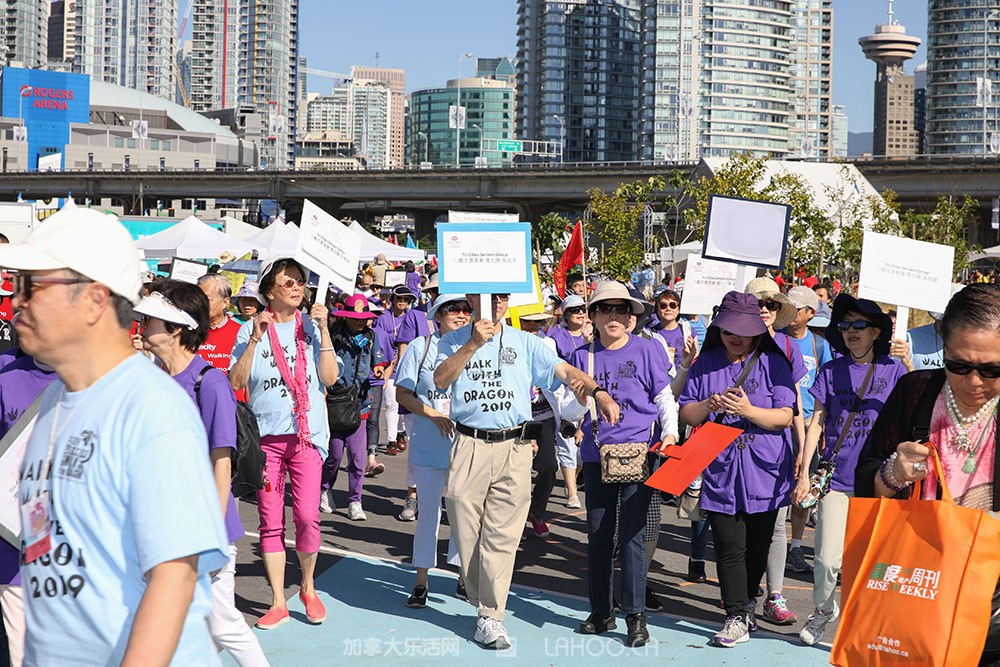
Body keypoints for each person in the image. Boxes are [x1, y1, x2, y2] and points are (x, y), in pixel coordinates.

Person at [3, 204, 229, 664]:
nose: (17, 301)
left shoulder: (150, 408)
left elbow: (174, 576)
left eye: (33, 286)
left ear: (94, 300)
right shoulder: (56, 401)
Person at [434, 291, 620, 650]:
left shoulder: (526, 342)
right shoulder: (452, 340)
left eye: (502, 296)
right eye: (488, 295)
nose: (496, 302)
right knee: (463, 522)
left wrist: (598, 392)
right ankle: (477, 590)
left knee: (502, 537)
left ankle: (490, 615)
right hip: (469, 443)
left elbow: (564, 371)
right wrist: (473, 344)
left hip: (515, 447)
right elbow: (440, 380)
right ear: (471, 296)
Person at [854, 283, 1000, 665]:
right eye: (959, 365)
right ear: (942, 348)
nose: (974, 382)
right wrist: (892, 472)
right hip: (914, 585)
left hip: (992, 607)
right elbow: (865, 479)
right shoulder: (916, 391)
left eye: (992, 370)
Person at [135, 282, 270, 666]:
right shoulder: (154, 378)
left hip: (201, 530)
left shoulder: (208, 382)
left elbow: (221, 462)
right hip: (162, 527)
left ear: (177, 328)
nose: (141, 325)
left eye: (151, 319)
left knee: (222, 622)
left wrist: (208, 534)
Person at [678, 291, 797, 648]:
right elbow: (687, 413)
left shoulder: (774, 363)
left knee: (757, 547)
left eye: (744, 330)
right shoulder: (705, 363)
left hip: (766, 469)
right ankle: (734, 615)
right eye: (729, 329)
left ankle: (747, 605)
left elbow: (785, 416)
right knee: (728, 545)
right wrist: (707, 405)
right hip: (720, 467)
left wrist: (748, 411)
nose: (736, 336)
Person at [229, 257, 338, 630]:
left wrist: (324, 330)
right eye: (287, 282)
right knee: (270, 521)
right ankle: (278, 600)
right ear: (269, 291)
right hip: (266, 441)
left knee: (307, 516)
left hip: (307, 437)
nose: (296, 287)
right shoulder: (249, 329)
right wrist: (255, 337)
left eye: (299, 282)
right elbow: (236, 382)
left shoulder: (311, 325)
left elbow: (330, 378)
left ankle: (307, 586)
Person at [569, 281, 679, 648]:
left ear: (631, 317)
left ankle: (635, 615)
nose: (613, 316)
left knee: (633, 537)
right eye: (605, 309)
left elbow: (664, 396)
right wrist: (577, 403)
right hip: (596, 456)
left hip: (640, 454)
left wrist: (671, 433)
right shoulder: (581, 357)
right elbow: (567, 410)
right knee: (599, 536)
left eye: (621, 309)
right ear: (594, 316)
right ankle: (601, 611)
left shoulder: (647, 350)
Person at [793, 294, 905, 646]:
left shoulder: (895, 370)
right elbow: (817, 422)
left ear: (876, 332)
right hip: (837, 478)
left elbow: (915, 408)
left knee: (871, 563)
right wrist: (804, 473)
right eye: (844, 325)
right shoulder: (830, 370)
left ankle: (865, 622)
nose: (851, 331)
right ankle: (823, 609)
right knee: (827, 560)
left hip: (880, 482)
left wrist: (910, 362)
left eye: (859, 325)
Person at [394, 294, 471, 607]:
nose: (461, 314)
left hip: (466, 447)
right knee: (428, 515)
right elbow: (402, 393)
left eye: (467, 309)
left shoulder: (474, 347)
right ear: (438, 315)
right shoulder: (420, 347)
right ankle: (421, 579)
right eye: (454, 309)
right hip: (428, 445)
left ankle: (464, 578)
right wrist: (432, 414)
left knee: (465, 515)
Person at [745, 277, 804, 626]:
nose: (765, 309)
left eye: (771, 304)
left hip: (775, 449)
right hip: (735, 450)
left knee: (777, 525)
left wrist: (802, 450)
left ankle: (775, 595)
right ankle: (743, 598)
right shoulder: (730, 340)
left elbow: (794, 403)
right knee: (742, 526)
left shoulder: (787, 345)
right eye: (759, 303)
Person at [782, 286, 833, 576]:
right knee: (779, 484)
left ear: (811, 313)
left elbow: (826, 386)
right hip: (780, 420)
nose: (792, 313)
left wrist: (822, 427)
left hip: (808, 423)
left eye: (797, 309)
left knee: (803, 487)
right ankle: (773, 541)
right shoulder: (777, 338)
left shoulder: (819, 345)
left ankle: (796, 546)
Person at [321, 294, 386, 521]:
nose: (359, 322)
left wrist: (379, 369)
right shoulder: (332, 336)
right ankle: (325, 490)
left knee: (358, 458)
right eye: (354, 318)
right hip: (336, 402)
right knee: (334, 455)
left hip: (360, 404)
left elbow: (379, 361)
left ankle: (355, 501)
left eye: (363, 318)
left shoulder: (371, 337)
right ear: (345, 317)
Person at [375, 285, 422, 453]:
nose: (402, 301)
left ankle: (401, 433)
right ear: (392, 299)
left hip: (409, 366)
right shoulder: (384, 317)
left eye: (406, 299)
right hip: (389, 365)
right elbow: (379, 341)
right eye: (399, 298)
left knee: (407, 405)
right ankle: (391, 440)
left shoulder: (412, 317)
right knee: (392, 404)